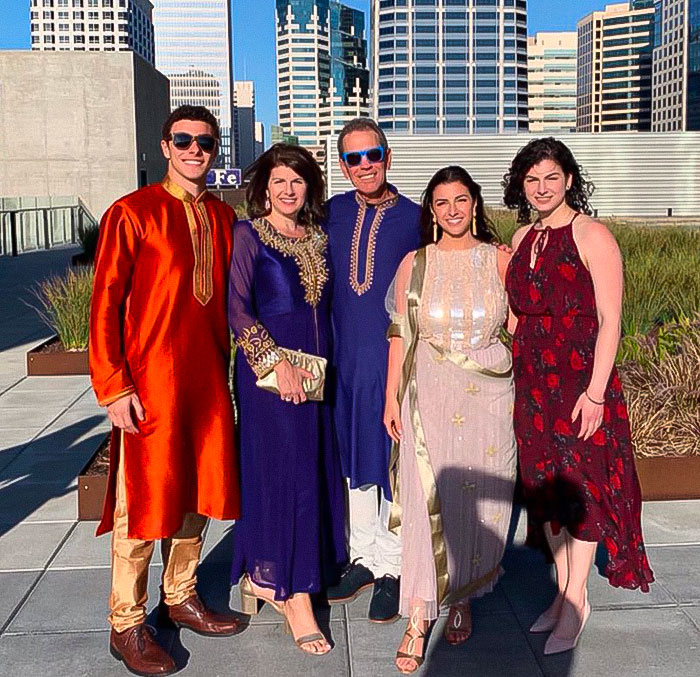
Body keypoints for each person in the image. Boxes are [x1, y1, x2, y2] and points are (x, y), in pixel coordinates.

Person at [90, 105, 245, 677]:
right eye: (184, 140)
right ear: (165, 145)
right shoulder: (132, 213)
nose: (195, 149)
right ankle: (126, 622)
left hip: (208, 385)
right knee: (143, 505)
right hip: (149, 384)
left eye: (205, 141)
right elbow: (104, 301)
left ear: (215, 149)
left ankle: (180, 596)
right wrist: (112, 385)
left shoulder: (226, 218)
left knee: (196, 497)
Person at [503, 137, 654, 655]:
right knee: (546, 491)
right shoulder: (523, 236)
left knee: (581, 488)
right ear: (521, 186)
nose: (542, 188)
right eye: (532, 179)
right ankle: (563, 592)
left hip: (578, 383)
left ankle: (574, 600)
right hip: (532, 384)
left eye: (551, 177)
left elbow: (612, 321)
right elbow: (517, 314)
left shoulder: (592, 234)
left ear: (568, 178)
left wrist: (594, 394)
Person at [383, 167, 516, 673]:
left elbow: (523, 327)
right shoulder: (413, 264)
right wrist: (393, 398)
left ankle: (459, 596)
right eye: (442, 202)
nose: (453, 210)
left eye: (461, 200)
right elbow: (399, 335)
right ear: (431, 211)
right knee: (424, 499)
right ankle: (418, 615)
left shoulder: (500, 261)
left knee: (483, 499)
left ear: (475, 204)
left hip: (489, 397)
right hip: (429, 392)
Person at [228, 143, 346, 656]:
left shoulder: (318, 237)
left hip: (319, 375)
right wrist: (278, 363)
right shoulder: (249, 234)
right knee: (285, 474)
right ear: (264, 188)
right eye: (279, 181)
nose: (289, 190)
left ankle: (275, 570)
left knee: (311, 471)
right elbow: (236, 309)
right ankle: (294, 595)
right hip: (275, 376)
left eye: (297, 181)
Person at [324, 118, 422, 623]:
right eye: (354, 158)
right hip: (343, 364)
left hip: (393, 362)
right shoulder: (332, 213)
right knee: (354, 464)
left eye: (373, 154)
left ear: (388, 156)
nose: (365, 165)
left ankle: (392, 568)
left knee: (391, 465)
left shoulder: (415, 217)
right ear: (342, 165)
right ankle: (362, 558)